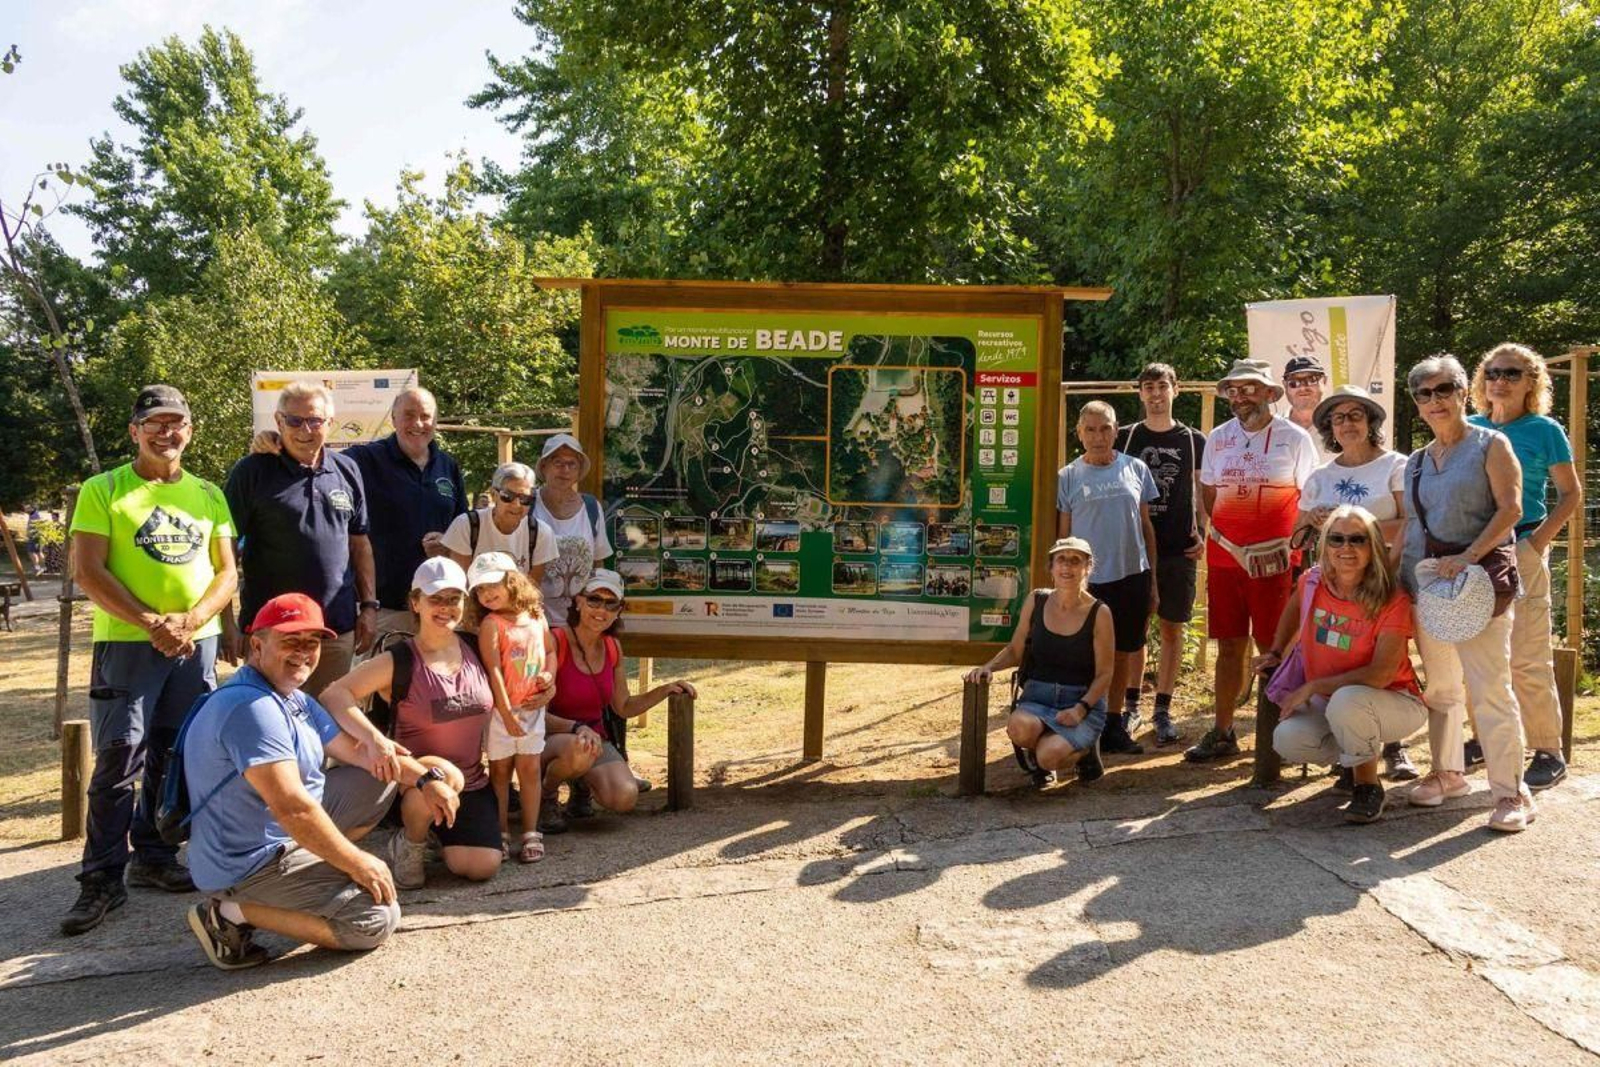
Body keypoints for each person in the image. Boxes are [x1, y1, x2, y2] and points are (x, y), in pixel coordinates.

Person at [182, 593, 462, 969]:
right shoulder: (252, 709)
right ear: (257, 645)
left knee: (380, 778)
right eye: (290, 642)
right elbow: (293, 808)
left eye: (311, 643)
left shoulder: (294, 698)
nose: (303, 653)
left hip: (275, 834)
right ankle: (229, 911)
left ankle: (316, 865)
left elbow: (367, 756)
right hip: (246, 862)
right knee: (372, 921)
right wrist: (357, 862)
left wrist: (428, 780)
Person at [62, 385, 239, 936]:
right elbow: (88, 571)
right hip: (129, 644)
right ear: (135, 431)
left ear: (190, 431)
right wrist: (152, 622)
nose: (168, 432)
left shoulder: (208, 493)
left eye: (177, 423)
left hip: (194, 643)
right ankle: (101, 879)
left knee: (176, 752)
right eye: (155, 423)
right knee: (119, 759)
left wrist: (190, 622)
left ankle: (155, 857)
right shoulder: (104, 489)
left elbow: (226, 572)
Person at [1401, 354, 1534, 831]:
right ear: (1416, 404)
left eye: (1443, 390)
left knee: (1489, 687)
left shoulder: (1490, 445)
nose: (1434, 400)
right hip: (1431, 586)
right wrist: (1405, 585)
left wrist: (1470, 556)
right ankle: (1448, 772)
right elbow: (1414, 529)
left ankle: (1511, 791)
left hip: (1480, 583)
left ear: (1462, 392)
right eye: (1424, 394)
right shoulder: (1416, 461)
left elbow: (1511, 509)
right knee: (1441, 686)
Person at [319, 558, 507, 885]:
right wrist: (375, 740)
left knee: (482, 867)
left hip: (472, 781)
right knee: (442, 773)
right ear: (415, 603)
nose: (445, 608)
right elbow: (334, 695)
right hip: (415, 779)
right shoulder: (401, 659)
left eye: (454, 598)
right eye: (436, 598)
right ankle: (410, 842)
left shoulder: (477, 646)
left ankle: (437, 833)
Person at [1187, 359, 1318, 764]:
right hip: (1226, 558)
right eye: (1233, 390)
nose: (1239, 398)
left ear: (1268, 393)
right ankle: (1224, 730)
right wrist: (1228, 539)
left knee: (1274, 646)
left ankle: (1280, 735)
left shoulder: (1295, 439)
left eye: (1248, 389)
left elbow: (1309, 502)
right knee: (1229, 644)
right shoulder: (1218, 438)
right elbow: (1209, 495)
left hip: (1274, 561)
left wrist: (1287, 547)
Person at [1261, 507, 1427, 823]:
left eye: (1357, 539)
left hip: (1395, 702)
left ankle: (1368, 787)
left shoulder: (1393, 598)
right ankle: (1354, 760)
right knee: (1288, 739)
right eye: (1336, 539)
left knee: (1347, 700)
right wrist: (1275, 651)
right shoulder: (1311, 582)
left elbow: (1380, 675)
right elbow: (1293, 611)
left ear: (1374, 546)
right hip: (1335, 704)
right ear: (1325, 545)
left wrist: (1313, 686)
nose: (1345, 548)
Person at [1468, 343, 1581, 790]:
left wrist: (1535, 544)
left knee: (1527, 655)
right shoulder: (1469, 427)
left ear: (1532, 381)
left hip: (1524, 545)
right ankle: (1482, 739)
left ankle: (1547, 750)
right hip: (1475, 551)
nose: (1500, 380)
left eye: (1512, 373)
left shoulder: (1545, 430)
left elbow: (1570, 494)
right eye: (1493, 372)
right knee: (1476, 654)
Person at [1293, 384, 1416, 781]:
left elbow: (1410, 522)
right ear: (1330, 426)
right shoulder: (1319, 476)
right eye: (1339, 417)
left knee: (1389, 665)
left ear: (1371, 422)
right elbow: (1296, 537)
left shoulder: (1397, 465)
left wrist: (1352, 526)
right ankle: (1355, 750)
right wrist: (1315, 523)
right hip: (1338, 587)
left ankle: (1395, 748)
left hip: (1389, 579)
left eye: (1356, 415)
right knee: (1349, 659)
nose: (1347, 424)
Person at [223, 382, 377, 696]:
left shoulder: (347, 470)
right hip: (270, 630)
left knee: (328, 723)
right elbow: (224, 550)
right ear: (279, 422)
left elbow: (359, 544)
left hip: (335, 628)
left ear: (329, 423)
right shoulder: (252, 471)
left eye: (314, 420)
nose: (304, 429)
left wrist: (369, 606)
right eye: (294, 421)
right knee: (267, 721)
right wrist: (227, 623)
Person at [539, 569, 696, 830]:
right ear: (578, 601)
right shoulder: (554, 641)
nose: (601, 610)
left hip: (592, 740)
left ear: (619, 610)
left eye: (611, 604)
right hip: (550, 738)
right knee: (580, 747)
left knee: (624, 796)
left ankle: (581, 786)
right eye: (594, 600)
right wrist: (577, 728)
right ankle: (547, 796)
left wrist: (665, 690)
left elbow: (623, 706)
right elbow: (537, 714)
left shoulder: (612, 647)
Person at [964, 537, 1114, 783]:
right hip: (1038, 696)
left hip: (1080, 701)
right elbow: (1015, 650)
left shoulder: (1099, 613)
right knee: (1019, 728)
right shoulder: (1037, 600)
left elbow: (1105, 673)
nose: (1067, 567)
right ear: (1052, 567)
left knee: (1048, 756)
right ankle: (1050, 745)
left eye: (1075, 561)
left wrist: (1080, 709)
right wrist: (988, 667)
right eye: (1061, 560)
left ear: (1087, 567)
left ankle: (1084, 753)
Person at [1056, 401, 1159, 754]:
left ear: (1117, 430)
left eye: (1105, 428)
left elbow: (1146, 527)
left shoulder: (1137, 469)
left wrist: (1154, 581)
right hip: (1088, 584)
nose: (1098, 437)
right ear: (1079, 433)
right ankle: (1084, 725)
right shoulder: (1067, 476)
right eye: (1090, 429)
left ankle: (1114, 724)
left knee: (1122, 653)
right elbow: (1062, 538)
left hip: (1132, 575)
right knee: (1085, 657)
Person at [1116, 363, 1208, 746]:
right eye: (1148, 387)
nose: (1156, 394)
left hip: (1177, 548)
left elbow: (1203, 493)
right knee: (1133, 632)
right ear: (1139, 393)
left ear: (1176, 389)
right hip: (1132, 549)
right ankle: (1131, 706)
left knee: (1172, 628)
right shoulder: (1124, 437)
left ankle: (1163, 709)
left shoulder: (1193, 440)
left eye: (1162, 386)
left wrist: (1204, 533)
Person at [345, 387, 469, 638]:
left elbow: (463, 530)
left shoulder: (447, 465)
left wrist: (447, 544)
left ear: (436, 421)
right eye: (409, 415)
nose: (418, 423)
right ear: (393, 419)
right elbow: (317, 461)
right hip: (385, 610)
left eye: (426, 416)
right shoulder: (365, 459)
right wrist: (277, 442)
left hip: (438, 610)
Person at [466, 552, 556, 863]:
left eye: (493, 585)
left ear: (511, 581)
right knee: (500, 772)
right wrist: (505, 714)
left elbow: (549, 650)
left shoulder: (535, 615)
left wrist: (549, 676)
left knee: (530, 770)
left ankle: (531, 832)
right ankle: (500, 832)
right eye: (479, 589)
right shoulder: (491, 624)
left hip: (532, 709)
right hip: (501, 712)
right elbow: (494, 671)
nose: (487, 594)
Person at [532, 433, 612, 625]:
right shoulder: (527, 504)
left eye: (572, 464)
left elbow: (597, 563)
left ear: (579, 470)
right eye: (558, 462)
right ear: (544, 467)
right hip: (535, 619)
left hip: (579, 622)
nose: (565, 470)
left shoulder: (591, 507)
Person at [441, 461, 559, 581]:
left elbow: (532, 589)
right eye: (508, 496)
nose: (516, 505)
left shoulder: (541, 533)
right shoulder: (466, 525)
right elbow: (461, 584)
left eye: (525, 498)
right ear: (494, 495)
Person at [1283, 355, 1329, 456]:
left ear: (1324, 381)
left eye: (1312, 379)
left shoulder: (1341, 425)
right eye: (1294, 382)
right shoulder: (1273, 429)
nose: (1303, 387)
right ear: (1285, 385)